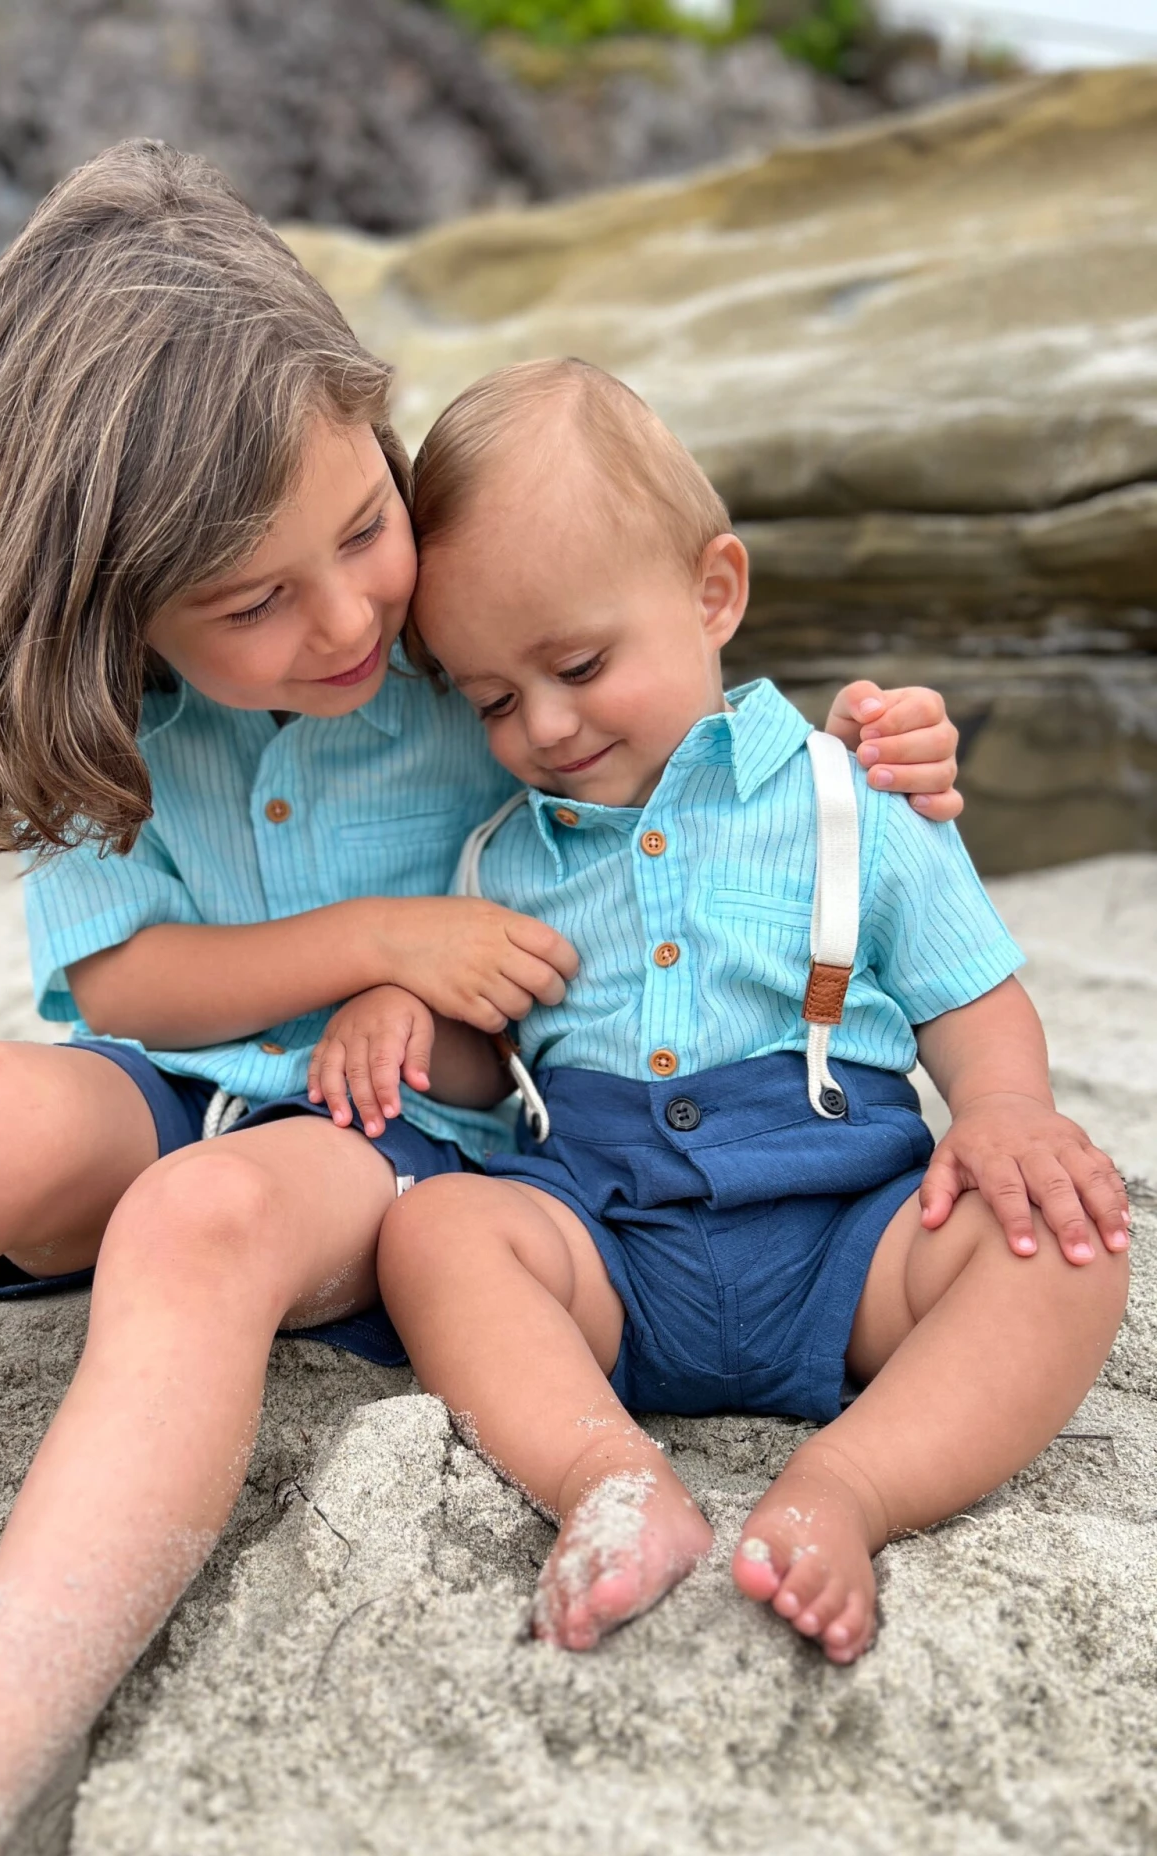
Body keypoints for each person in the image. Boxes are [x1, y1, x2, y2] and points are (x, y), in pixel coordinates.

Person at [0, 153, 963, 1856]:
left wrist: (882, 748)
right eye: (251, 603)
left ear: (377, 425)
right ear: (117, 611)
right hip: (180, 1072)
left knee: (201, 1220)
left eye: (361, 528)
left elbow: (668, 708)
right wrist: (374, 940)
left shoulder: (465, 643)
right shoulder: (112, 719)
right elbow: (125, 981)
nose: (347, 621)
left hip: (415, 1149)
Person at [310, 358, 1130, 1669]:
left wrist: (1006, 1109)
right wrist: (407, 1014)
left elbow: (967, 991)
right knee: (439, 1230)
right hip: (609, 1254)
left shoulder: (850, 798)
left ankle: (851, 1484)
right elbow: (486, 1071)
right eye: (494, 701)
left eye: (579, 664)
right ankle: (608, 1476)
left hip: (851, 1239)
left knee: (1064, 1247)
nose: (546, 724)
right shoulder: (499, 863)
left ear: (713, 595)